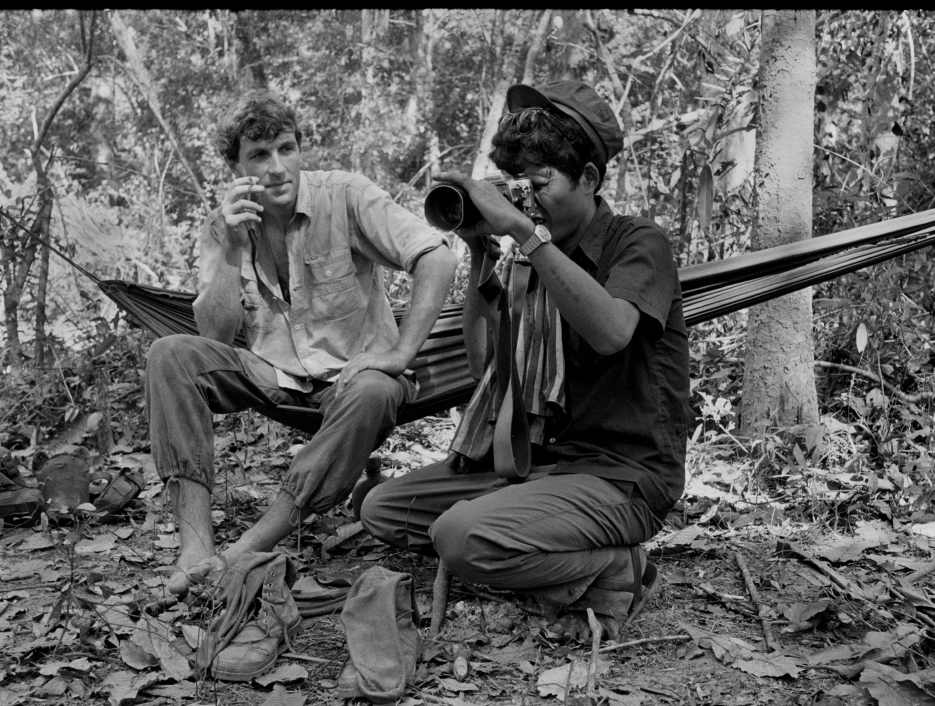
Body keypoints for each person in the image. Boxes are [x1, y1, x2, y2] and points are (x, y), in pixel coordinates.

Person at [360, 80, 690, 642]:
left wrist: (524, 233)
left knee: (461, 538)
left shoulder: (637, 243)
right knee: (386, 508)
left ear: (588, 178)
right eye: (519, 188)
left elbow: (612, 331)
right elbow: (485, 365)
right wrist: (482, 255)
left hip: (622, 475)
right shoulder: (531, 261)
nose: (529, 200)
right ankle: (529, 531)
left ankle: (615, 566)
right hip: (540, 464)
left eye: (541, 183)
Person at [145, 92, 457, 613]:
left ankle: (247, 549)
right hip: (276, 376)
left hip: (357, 380)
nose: (276, 167)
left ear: (300, 149)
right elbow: (215, 337)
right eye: (259, 156)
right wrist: (230, 251)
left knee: (376, 389)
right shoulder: (226, 224)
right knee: (170, 354)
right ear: (236, 167)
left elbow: (436, 256)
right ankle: (194, 552)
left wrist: (401, 353)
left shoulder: (345, 195)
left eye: (286, 149)